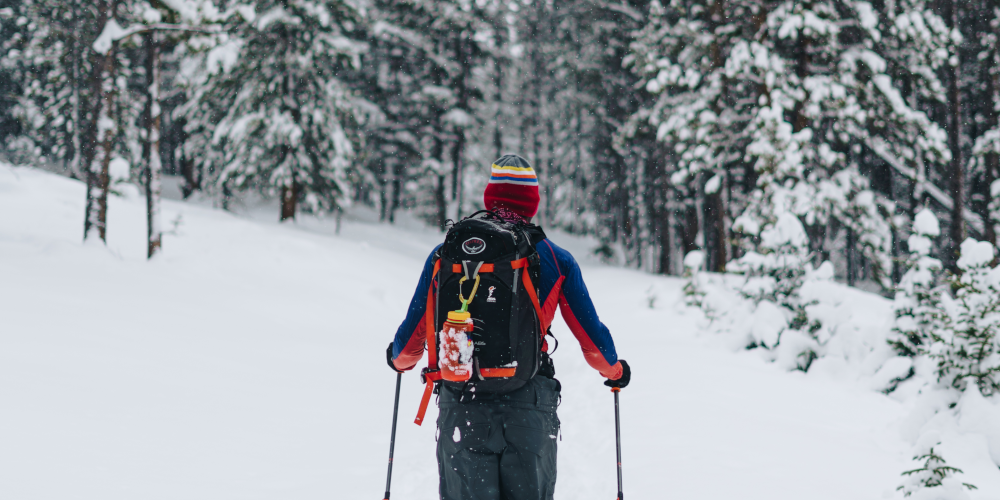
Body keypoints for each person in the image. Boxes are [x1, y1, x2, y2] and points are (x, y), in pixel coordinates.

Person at [386, 154, 630, 500]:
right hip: (528, 407)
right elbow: (593, 342)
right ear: (532, 203)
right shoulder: (556, 258)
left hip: (463, 406)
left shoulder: (447, 254)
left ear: (490, 197)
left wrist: (397, 361)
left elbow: (409, 344)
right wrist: (616, 370)